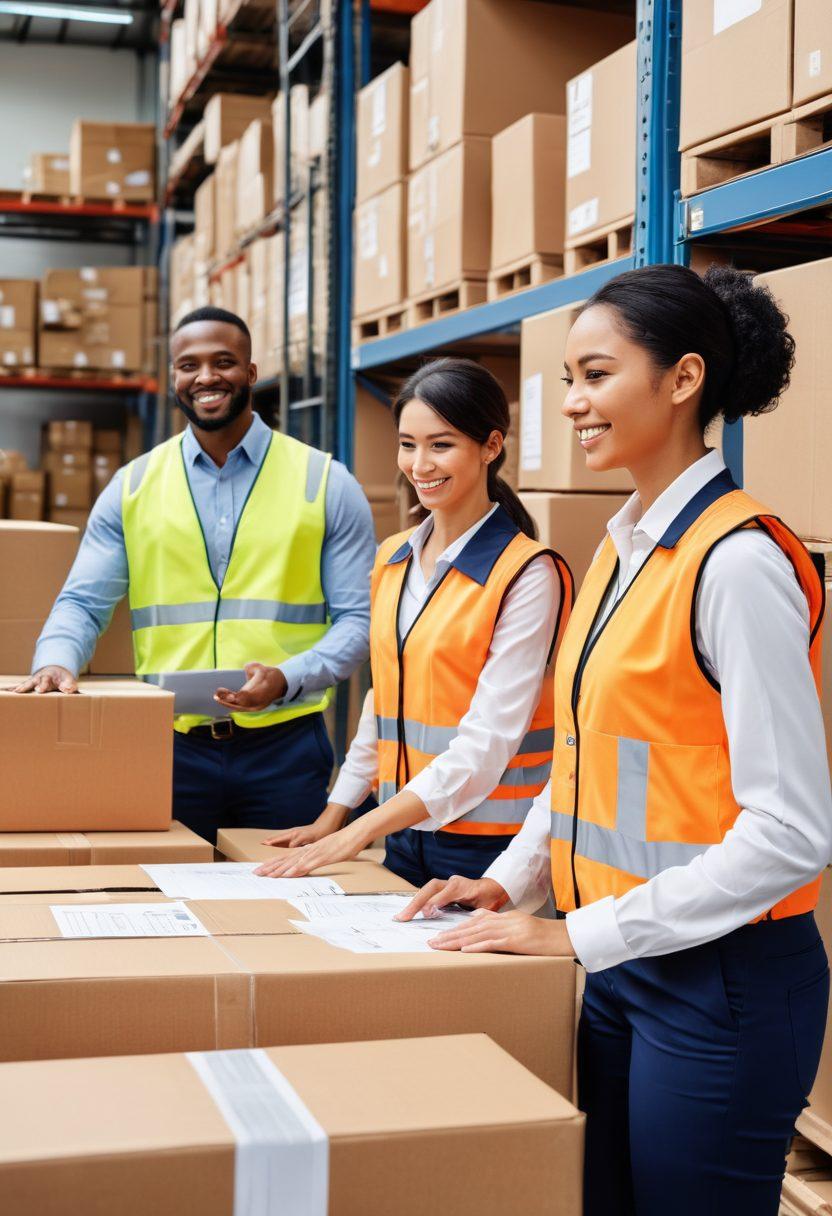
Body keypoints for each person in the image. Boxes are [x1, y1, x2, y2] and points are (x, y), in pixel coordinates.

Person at [397, 266, 832, 1215]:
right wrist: (512, 882)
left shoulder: (738, 562)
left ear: (682, 381)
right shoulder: (622, 550)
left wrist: (574, 935)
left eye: (595, 375)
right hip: (629, 967)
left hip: (723, 985)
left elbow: (793, 833)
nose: (574, 403)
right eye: (567, 379)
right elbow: (588, 765)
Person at [14, 306, 375, 844]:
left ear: (251, 373)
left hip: (284, 751)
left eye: (223, 362)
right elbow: (82, 603)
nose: (206, 377)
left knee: (282, 912)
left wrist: (287, 677)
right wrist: (55, 662)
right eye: (189, 365)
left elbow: (359, 620)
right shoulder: (132, 486)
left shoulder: (323, 481)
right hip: (165, 750)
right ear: (174, 381)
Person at [251, 357, 574, 886]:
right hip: (405, 833)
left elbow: (488, 741)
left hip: (488, 847)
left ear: (491, 447)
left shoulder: (529, 574)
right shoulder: (393, 556)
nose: (419, 464)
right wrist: (336, 812)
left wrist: (359, 830)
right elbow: (385, 699)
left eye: (440, 444)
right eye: (407, 444)